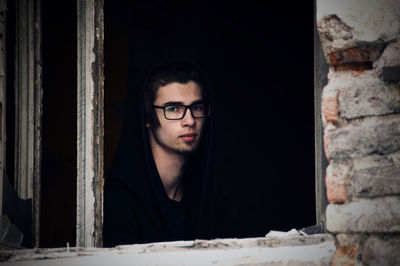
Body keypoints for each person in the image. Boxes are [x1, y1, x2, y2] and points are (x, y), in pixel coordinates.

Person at [103, 60, 216, 247]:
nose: (190, 121)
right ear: (147, 117)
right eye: (173, 108)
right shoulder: (119, 203)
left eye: (196, 107)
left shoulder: (206, 199)